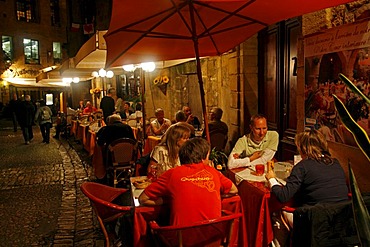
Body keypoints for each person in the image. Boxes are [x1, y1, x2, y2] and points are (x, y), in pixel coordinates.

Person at [139, 138, 238, 226]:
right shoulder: (213, 172)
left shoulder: (172, 173)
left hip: (181, 240)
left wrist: (166, 200)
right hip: (213, 239)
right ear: (203, 158)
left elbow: (143, 199)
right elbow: (233, 190)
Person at [265, 129, 348, 232]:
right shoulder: (335, 163)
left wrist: (271, 179)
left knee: (278, 214)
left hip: (315, 222)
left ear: (303, 148)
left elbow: (283, 196)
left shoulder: (302, 166)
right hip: (341, 221)